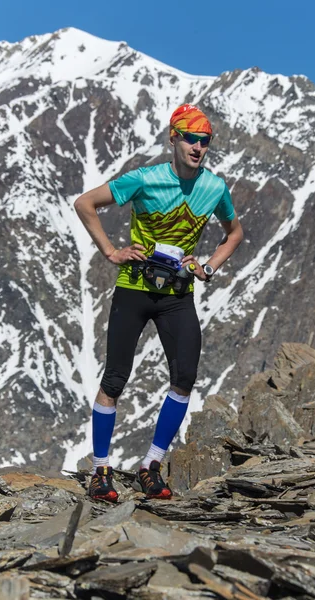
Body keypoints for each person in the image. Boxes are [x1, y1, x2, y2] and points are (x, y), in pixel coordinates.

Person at [74, 103, 243, 502]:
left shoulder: (214, 188)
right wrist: (111, 251)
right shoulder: (144, 179)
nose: (198, 147)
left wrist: (207, 267)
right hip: (134, 287)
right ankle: (100, 471)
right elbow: (85, 203)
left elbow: (234, 233)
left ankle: (151, 465)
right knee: (115, 379)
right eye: (191, 139)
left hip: (178, 296)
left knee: (184, 378)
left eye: (205, 141)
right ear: (174, 137)